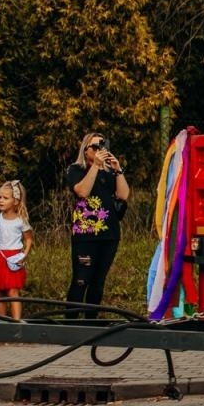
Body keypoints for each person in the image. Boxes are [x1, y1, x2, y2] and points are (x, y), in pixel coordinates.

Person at [64, 131, 130, 316]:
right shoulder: (76, 170)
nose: (100, 150)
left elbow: (124, 195)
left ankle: (91, 322)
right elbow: (82, 191)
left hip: (109, 234)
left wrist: (117, 169)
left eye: (103, 146)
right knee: (81, 279)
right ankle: (70, 322)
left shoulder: (109, 173)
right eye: (95, 147)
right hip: (85, 234)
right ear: (85, 150)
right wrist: (95, 166)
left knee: (98, 280)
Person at [0, 181, 33, 319]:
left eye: (5, 198)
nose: (1, 201)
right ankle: (1, 320)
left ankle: (16, 323)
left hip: (13, 257)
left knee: (12, 290)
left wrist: (24, 255)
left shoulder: (21, 221)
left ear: (15, 201)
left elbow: (28, 239)